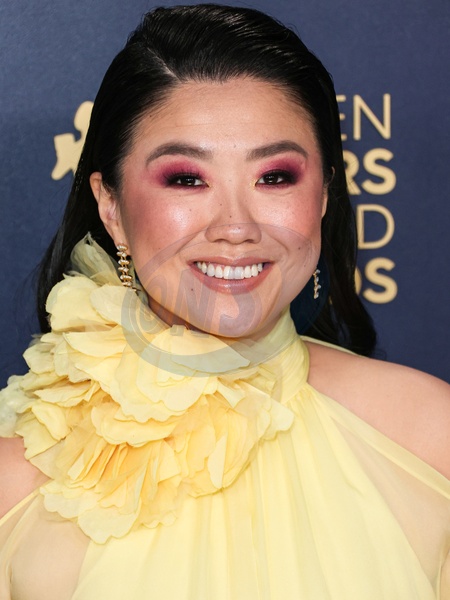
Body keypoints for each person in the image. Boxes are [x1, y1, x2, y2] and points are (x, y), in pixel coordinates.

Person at [0, 4, 448, 599]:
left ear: (323, 196)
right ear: (111, 206)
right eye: (187, 179)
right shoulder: (18, 478)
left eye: (275, 178)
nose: (236, 226)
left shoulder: (428, 436)